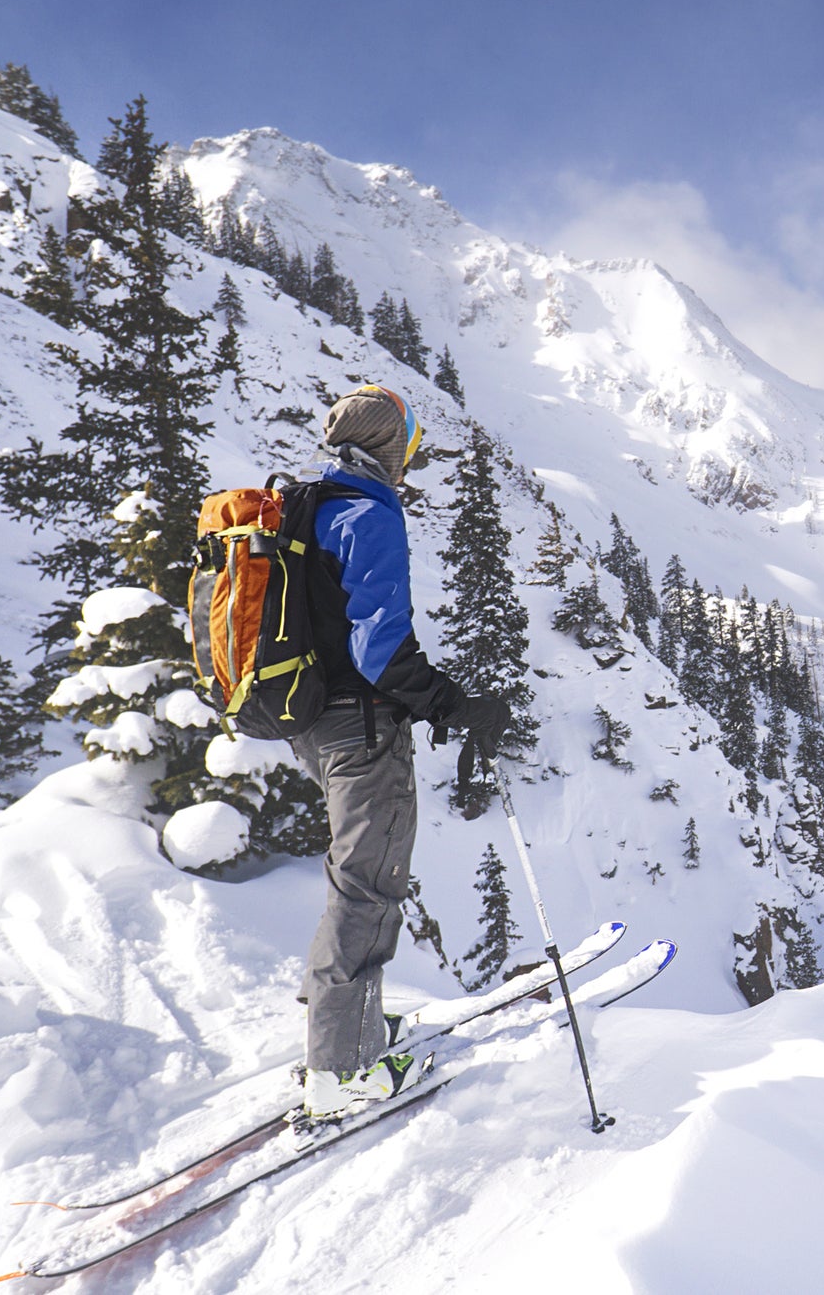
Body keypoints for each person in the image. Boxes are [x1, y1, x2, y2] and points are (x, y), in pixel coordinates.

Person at [294, 384, 510, 1119]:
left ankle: (349, 1029)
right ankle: (343, 1071)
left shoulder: (315, 504)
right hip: (360, 728)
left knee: (357, 876)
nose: (411, 455)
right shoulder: (365, 515)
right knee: (369, 884)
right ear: (387, 445)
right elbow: (379, 648)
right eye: (408, 441)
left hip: (318, 725)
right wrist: (453, 704)